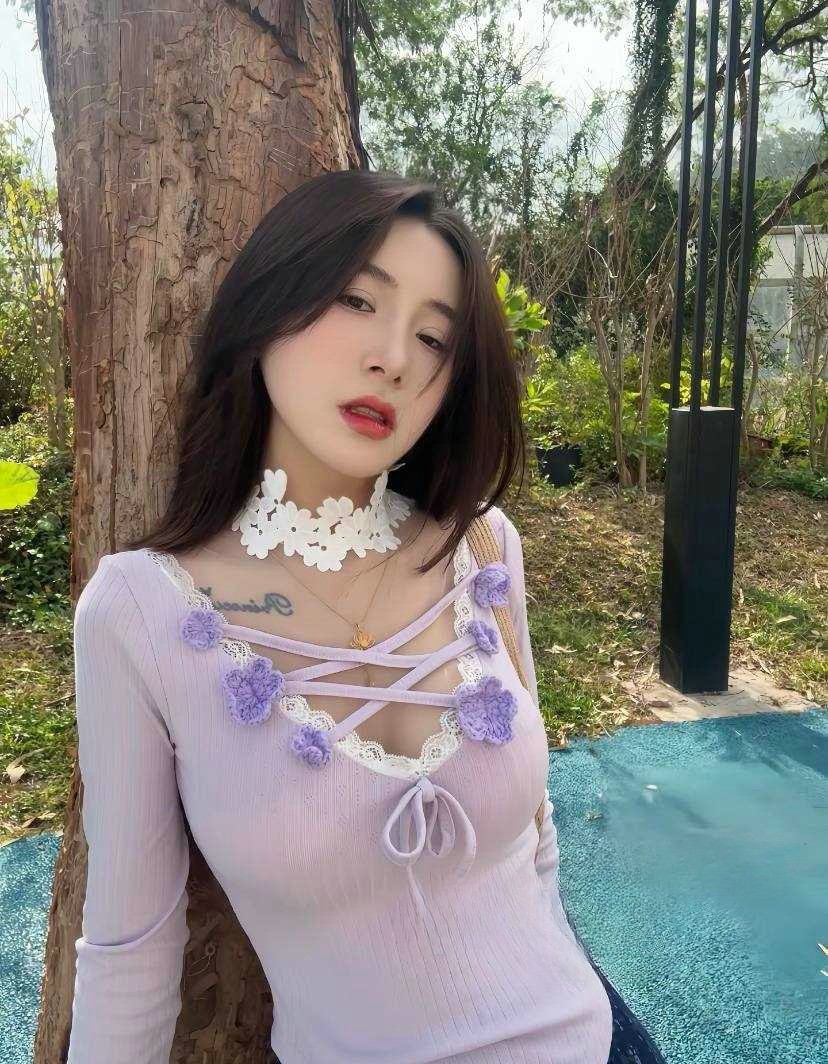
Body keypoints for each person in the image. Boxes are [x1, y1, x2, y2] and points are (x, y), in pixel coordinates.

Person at [67, 169, 662, 1063]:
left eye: (434, 337)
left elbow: (537, 845)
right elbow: (130, 953)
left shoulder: (482, 548)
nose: (394, 359)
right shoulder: (139, 612)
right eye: (357, 300)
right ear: (269, 301)